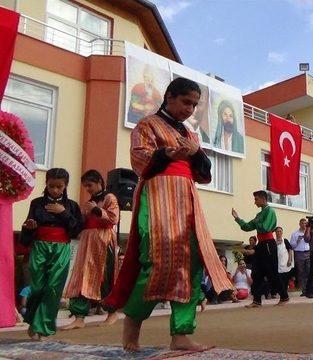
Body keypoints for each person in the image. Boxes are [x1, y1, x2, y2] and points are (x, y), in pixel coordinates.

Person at [104, 77, 234, 352]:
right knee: (157, 260)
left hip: (186, 199)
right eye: (186, 102)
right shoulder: (147, 125)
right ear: (170, 96)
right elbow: (140, 160)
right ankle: (134, 319)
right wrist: (167, 153)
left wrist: (197, 153)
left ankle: (181, 334)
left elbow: (204, 173)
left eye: (194, 105)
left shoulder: (190, 134)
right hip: (157, 196)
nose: (190, 109)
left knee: (191, 262)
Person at [20, 168, 82, 340]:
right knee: (37, 287)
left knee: (53, 288)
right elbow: (27, 232)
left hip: (61, 248)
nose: (55, 190)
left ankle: (43, 328)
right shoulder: (36, 203)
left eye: (59, 187)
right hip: (39, 247)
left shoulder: (72, 206)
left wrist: (63, 213)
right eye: (51, 186)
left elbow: (77, 229)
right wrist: (29, 227)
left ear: (65, 186)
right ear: (46, 184)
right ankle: (33, 320)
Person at [62, 170, 120, 330]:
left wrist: (96, 210)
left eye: (90, 185)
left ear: (99, 182)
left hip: (103, 240)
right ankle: (79, 317)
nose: (88, 189)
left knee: (105, 276)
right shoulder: (89, 202)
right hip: (87, 241)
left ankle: (112, 312)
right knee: (81, 276)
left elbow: (113, 219)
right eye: (86, 186)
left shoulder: (110, 198)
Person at [232, 190, 289, 307]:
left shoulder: (270, 211)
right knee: (256, 273)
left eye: (256, 199)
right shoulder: (260, 214)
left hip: (268, 243)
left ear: (263, 199)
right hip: (262, 245)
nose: (255, 202)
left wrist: (256, 222)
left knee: (272, 272)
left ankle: (284, 296)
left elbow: (265, 228)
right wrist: (237, 218)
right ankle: (257, 301)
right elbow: (247, 227)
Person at [290, 218, 310, 293]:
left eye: (305, 223)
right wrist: (297, 241)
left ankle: (310, 289)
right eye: (302, 223)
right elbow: (292, 246)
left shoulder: (309, 232)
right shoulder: (294, 234)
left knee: (309, 270)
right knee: (301, 272)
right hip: (299, 253)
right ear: (299, 224)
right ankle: (304, 290)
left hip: (308, 252)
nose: (304, 225)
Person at [275, 227, 294, 295]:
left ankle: (285, 292)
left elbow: (290, 250)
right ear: (275, 233)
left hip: (285, 263)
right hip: (277, 263)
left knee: (285, 278)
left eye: (280, 231)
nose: (278, 233)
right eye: (277, 231)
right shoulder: (273, 242)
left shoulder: (285, 240)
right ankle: (280, 292)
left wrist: (290, 260)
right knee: (278, 278)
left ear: (282, 232)